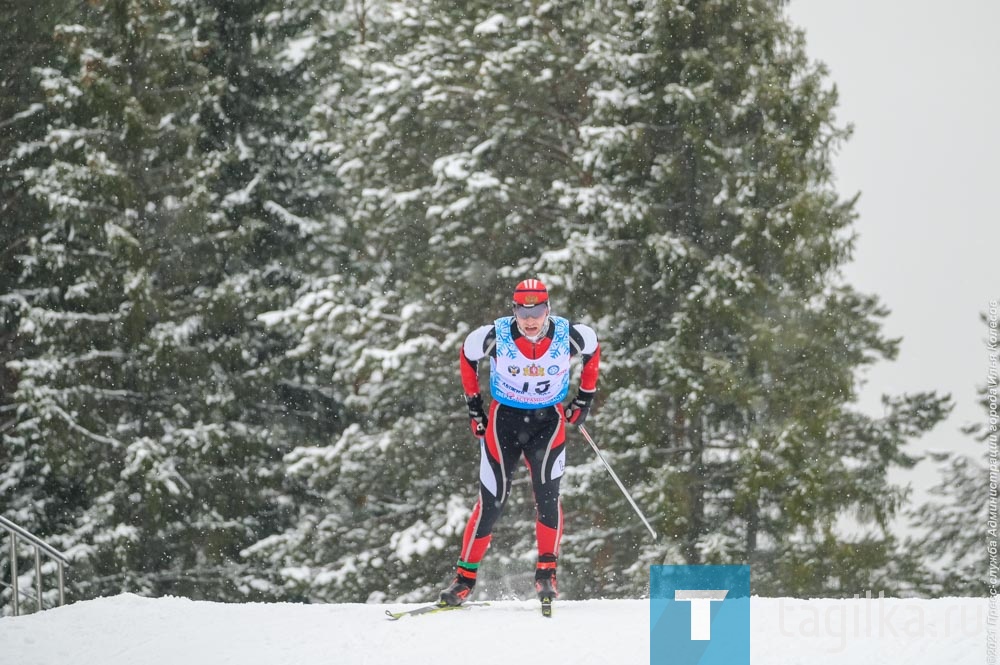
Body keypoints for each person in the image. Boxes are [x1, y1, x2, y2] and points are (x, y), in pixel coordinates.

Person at [439, 278, 600, 609]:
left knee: (547, 497)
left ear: (547, 310)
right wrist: (475, 407)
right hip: (504, 424)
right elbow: (467, 358)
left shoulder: (570, 335)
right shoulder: (494, 336)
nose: (530, 319)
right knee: (492, 501)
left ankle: (546, 573)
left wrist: (585, 398)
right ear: (513, 311)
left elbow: (592, 351)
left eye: (537, 311)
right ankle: (464, 580)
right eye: (523, 312)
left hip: (548, 423)